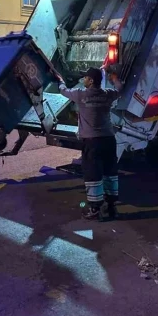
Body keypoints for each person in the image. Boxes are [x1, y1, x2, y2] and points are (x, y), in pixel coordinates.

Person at [58, 66, 123, 221]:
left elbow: (63, 90)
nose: (83, 80)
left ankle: (95, 209)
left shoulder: (81, 95)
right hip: (108, 139)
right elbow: (120, 89)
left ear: (91, 80)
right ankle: (112, 207)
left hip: (92, 141)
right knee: (110, 172)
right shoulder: (107, 94)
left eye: (85, 78)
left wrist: (60, 80)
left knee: (93, 174)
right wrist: (114, 78)